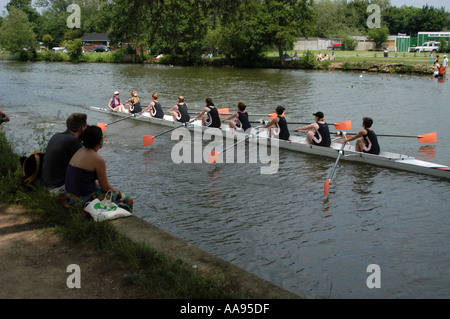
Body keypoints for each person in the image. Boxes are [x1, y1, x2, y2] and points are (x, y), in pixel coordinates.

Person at [64, 125, 133, 212]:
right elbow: (105, 187)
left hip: (69, 196)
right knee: (127, 200)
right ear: (100, 141)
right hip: (81, 200)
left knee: (100, 188)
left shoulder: (79, 151)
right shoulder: (98, 159)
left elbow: (84, 176)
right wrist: (117, 192)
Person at [42, 113, 87, 194]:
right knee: (92, 187)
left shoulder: (56, 136)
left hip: (45, 186)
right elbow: (85, 169)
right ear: (82, 128)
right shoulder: (74, 141)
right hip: (56, 189)